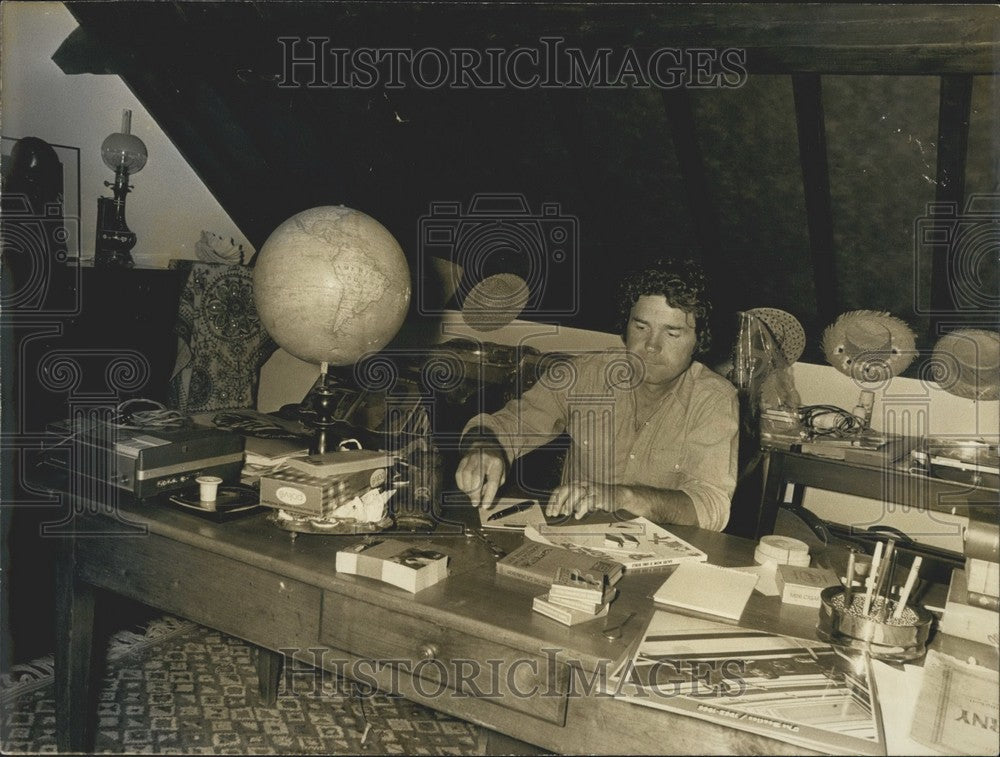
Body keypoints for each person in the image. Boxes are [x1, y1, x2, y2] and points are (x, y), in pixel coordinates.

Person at [454, 258, 739, 531]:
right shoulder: (583, 375)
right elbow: (503, 425)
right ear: (625, 327)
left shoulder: (714, 399)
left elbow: (711, 505)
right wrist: (484, 446)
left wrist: (623, 497)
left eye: (672, 333)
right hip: (574, 546)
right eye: (641, 327)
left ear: (699, 341)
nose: (651, 346)